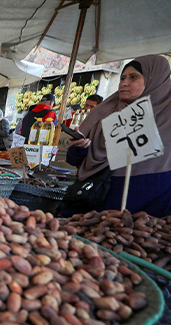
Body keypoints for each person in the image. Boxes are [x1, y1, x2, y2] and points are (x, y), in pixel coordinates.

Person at [65, 55, 171, 217]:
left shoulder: (167, 117)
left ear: (154, 79)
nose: (124, 83)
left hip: (148, 217)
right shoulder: (105, 112)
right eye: (122, 78)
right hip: (93, 208)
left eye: (133, 77)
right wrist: (80, 147)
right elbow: (73, 160)